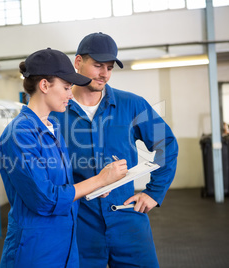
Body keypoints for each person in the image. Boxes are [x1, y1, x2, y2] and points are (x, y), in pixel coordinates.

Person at [51, 33, 179, 267]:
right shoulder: (56, 113)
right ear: (78, 62)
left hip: (128, 220)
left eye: (109, 67)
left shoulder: (132, 104)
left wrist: (154, 192)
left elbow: (166, 143)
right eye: (98, 65)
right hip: (80, 224)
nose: (104, 74)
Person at [0, 48, 128, 268]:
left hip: (66, 243)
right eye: (66, 87)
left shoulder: (53, 126)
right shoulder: (19, 134)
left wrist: (92, 189)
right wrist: (100, 180)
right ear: (45, 85)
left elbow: (60, 185)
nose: (70, 94)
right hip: (36, 249)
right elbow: (46, 199)